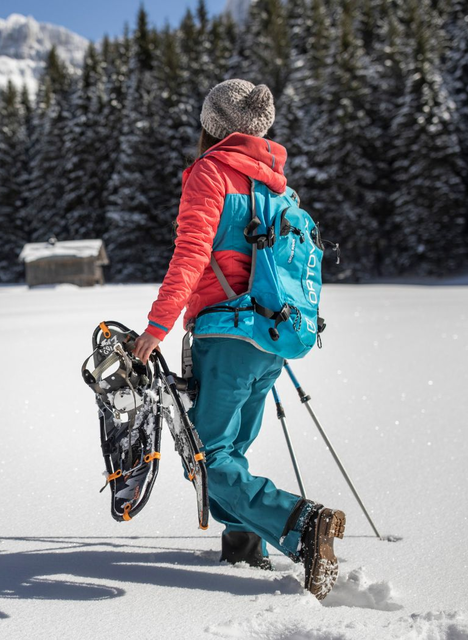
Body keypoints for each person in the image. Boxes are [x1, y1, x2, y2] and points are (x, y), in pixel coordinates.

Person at [130, 79, 346, 600]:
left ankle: (304, 523)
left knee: (205, 456)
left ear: (213, 126)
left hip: (226, 335)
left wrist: (156, 329)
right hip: (272, 336)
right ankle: (245, 551)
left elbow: (189, 256)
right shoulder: (278, 186)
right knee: (231, 452)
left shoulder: (211, 174)